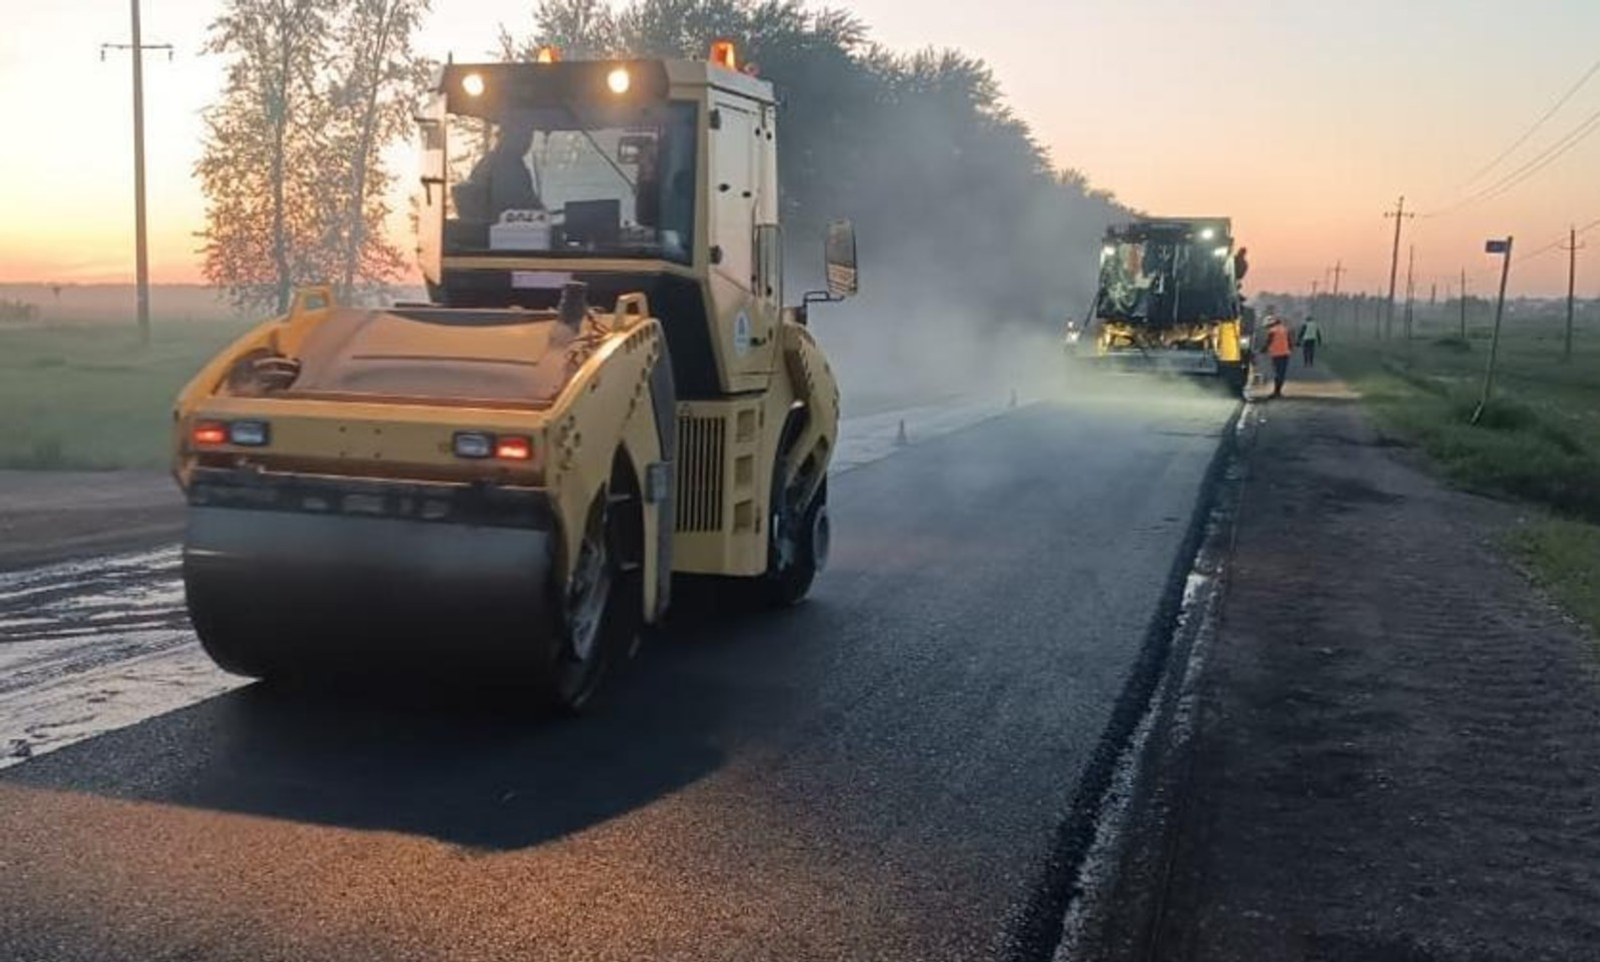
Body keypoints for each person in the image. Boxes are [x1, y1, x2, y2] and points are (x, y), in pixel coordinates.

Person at [1261, 313, 1294, 398]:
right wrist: (1290, 349)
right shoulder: (1284, 329)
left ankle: (1276, 392)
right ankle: (1278, 391)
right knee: (1281, 373)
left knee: (1277, 373)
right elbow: (1290, 341)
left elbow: (1269, 342)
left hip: (1276, 354)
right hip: (1285, 354)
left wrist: (1263, 350)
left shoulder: (1272, 331)